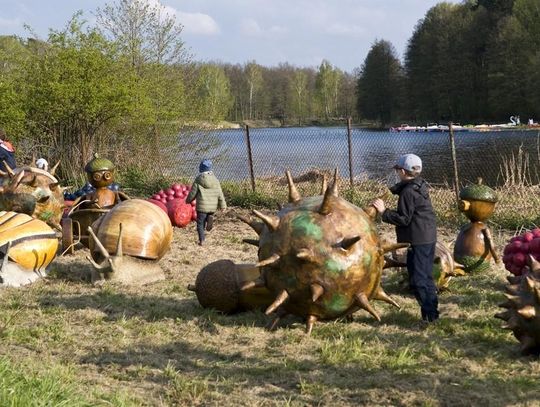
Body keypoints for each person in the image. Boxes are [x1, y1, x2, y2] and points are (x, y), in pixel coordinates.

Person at [372, 153, 439, 323]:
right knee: (425, 275)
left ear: (402, 171)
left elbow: (403, 218)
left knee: (418, 279)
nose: (397, 174)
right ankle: (432, 313)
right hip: (427, 236)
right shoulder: (419, 184)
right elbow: (404, 187)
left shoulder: (408, 193)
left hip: (418, 239)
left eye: (397, 171)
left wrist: (383, 211)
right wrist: (391, 191)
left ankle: (429, 316)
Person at [186, 159, 227, 246]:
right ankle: (210, 220)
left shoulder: (198, 179)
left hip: (202, 207)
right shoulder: (215, 180)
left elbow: (193, 192)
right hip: (212, 207)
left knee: (200, 224)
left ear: (200, 168)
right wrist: (223, 205)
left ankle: (202, 240)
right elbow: (220, 193)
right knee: (207, 218)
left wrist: (188, 200)